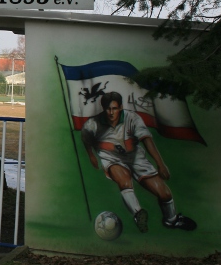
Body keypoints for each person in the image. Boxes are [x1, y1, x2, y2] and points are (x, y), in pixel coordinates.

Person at [81, 91, 196, 232]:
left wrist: (160, 164)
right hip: (111, 157)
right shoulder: (93, 124)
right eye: (108, 109)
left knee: (164, 194)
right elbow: (86, 138)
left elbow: (146, 140)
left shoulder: (132, 118)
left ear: (121, 107)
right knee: (123, 180)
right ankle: (138, 214)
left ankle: (171, 220)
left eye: (114, 108)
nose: (111, 112)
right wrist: (91, 155)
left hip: (135, 157)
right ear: (103, 108)